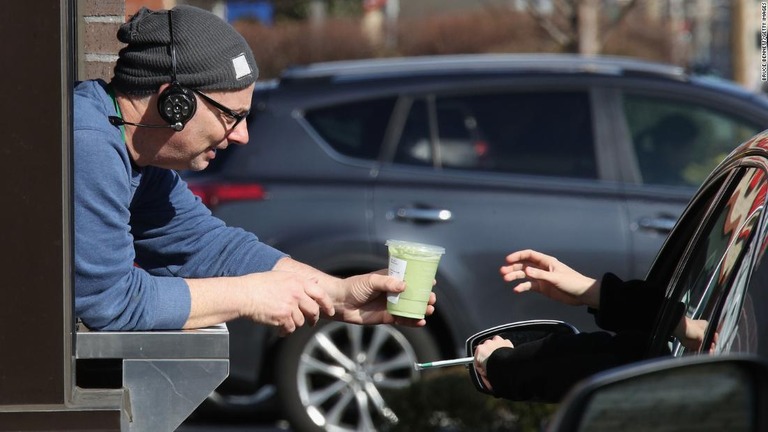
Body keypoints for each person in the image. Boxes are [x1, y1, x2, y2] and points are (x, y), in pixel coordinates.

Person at [73, 5, 435, 333]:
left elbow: (207, 247)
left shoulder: (131, 150)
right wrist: (248, 295)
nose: (242, 135)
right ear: (175, 104)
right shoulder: (88, 142)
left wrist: (336, 294)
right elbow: (111, 301)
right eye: (233, 116)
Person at [472, 249, 707, 402]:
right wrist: (592, 291)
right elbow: (634, 347)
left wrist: (503, 364)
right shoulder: (704, 334)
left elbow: (607, 367)